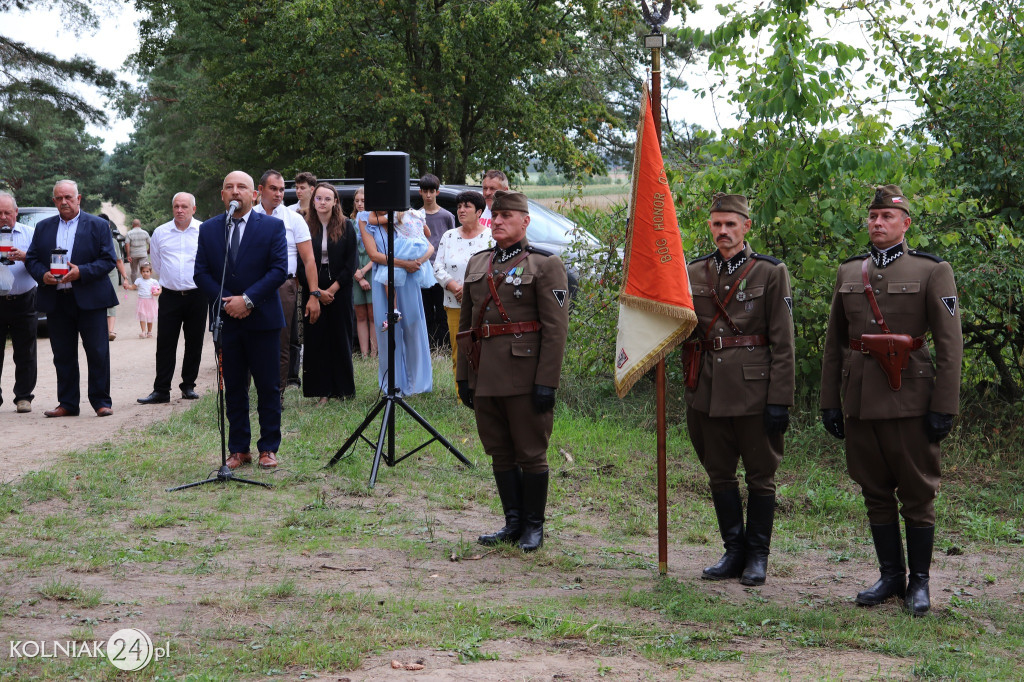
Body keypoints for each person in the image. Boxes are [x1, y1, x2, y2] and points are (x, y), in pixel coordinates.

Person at [820, 185, 963, 616]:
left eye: (887, 216)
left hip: (911, 400)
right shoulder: (849, 272)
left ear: (906, 223)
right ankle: (889, 577)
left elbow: (949, 344)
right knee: (874, 489)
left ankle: (919, 583)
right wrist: (830, 400)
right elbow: (834, 344)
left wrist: (944, 406)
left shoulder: (931, 270)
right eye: (873, 216)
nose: (878, 223)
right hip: (861, 399)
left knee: (917, 493)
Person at [679, 193, 795, 586]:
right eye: (716, 224)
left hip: (754, 391)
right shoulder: (693, 271)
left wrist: (780, 399)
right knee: (719, 474)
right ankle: (733, 551)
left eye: (731, 224)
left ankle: (757, 556)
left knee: (761, 476)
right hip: (707, 389)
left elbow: (783, 341)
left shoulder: (770, 272)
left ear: (747, 226)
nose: (723, 231)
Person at [456, 190, 569, 552]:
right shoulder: (478, 263)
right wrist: (463, 377)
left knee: (531, 452)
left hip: (525, 374)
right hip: (485, 371)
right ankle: (512, 522)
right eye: (496, 215)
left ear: (525, 221)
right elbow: (467, 328)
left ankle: (534, 527)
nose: (500, 221)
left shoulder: (544, 264)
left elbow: (555, 330)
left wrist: (546, 382)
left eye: (507, 215)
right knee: (499, 451)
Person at [193, 171, 287, 469]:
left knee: (268, 386)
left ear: (254, 195)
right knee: (233, 386)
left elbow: (278, 269)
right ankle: (238, 448)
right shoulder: (209, 229)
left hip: (263, 319)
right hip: (227, 321)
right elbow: (201, 273)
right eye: (229, 187)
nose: (235, 192)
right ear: (222, 195)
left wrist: (247, 300)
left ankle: (268, 448)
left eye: (242, 187)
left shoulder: (272, 226)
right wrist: (227, 303)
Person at [25, 179, 118, 418]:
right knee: (63, 355)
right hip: (57, 301)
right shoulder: (44, 227)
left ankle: (101, 401)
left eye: (68, 197)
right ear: (54, 200)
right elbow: (32, 259)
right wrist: (42, 275)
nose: (64, 202)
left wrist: (82, 272)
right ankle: (67, 403)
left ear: (79, 198)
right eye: (59, 198)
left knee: (97, 352)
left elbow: (108, 260)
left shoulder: (98, 225)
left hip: (90, 299)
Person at [253, 169, 320, 407]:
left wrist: (314, 294)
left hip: (284, 286)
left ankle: (276, 393)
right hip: (252, 286)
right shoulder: (249, 216)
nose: (279, 194)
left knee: (280, 341)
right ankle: (259, 388)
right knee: (253, 340)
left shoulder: (293, 219)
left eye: (282, 189)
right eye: (274, 189)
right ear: (260, 190)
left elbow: (309, 259)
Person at [138, 192, 206, 404]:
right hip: (169, 296)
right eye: (176, 206)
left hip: (197, 295)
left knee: (194, 342)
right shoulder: (160, 232)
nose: (180, 210)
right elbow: (156, 265)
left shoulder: (204, 230)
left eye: (184, 206)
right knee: (165, 343)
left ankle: (188, 386)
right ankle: (161, 390)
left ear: (193, 209)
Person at [360, 207, 433, 396]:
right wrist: (403, 263)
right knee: (387, 329)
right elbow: (374, 255)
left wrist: (417, 263)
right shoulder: (365, 219)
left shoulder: (407, 215)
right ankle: (392, 384)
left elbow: (428, 243)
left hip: (409, 276)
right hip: (382, 277)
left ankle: (418, 384)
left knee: (413, 325)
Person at [300, 183, 357, 404]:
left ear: (335, 202)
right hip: (313, 287)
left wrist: (332, 289)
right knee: (317, 339)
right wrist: (316, 292)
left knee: (340, 337)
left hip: (340, 288)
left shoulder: (347, 226)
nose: (322, 202)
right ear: (313, 201)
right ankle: (321, 392)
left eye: (327, 199)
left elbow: (351, 263)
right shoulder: (304, 225)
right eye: (319, 198)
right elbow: (300, 262)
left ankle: (342, 390)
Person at [433, 190, 493, 375]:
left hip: (482, 304)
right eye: (459, 206)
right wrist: (454, 287)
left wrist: (468, 289)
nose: (461, 210)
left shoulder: (490, 237)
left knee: (483, 349)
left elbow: (493, 268)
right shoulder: (448, 236)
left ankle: (482, 394)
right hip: (454, 303)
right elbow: (437, 267)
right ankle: (462, 397)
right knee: (459, 351)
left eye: (467, 206)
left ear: (479, 212)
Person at [0, 191, 38, 413]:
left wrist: (25, 256)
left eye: (7, 212)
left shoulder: (30, 234)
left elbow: (41, 261)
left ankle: (24, 396)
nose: (3, 216)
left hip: (24, 299)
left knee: (25, 351)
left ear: (16, 212)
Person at [419, 174, 456, 350]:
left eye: (431, 191)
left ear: (437, 192)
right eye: (425, 191)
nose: (428, 195)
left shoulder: (447, 216)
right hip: (421, 269)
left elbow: (452, 242)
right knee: (425, 311)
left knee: (442, 310)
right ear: (420, 192)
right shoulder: (416, 216)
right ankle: (428, 346)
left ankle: (442, 346)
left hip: (441, 270)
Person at [350, 187, 377, 359]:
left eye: (364, 201)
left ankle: (375, 354)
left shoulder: (376, 222)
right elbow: (345, 253)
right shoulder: (349, 223)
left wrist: (365, 271)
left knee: (373, 314)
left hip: (372, 270)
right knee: (360, 315)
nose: (360, 204)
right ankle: (364, 354)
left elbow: (382, 251)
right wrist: (357, 275)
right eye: (357, 201)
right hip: (354, 273)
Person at [105, 224, 129, 341]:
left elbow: (118, 260)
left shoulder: (113, 242)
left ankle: (110, 331)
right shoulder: (91, 239)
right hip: (96, 276)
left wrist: (125, 277)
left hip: (111, 275)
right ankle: (100, 330)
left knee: (111, 301)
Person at [129, 262, 160, 337]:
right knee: (142, 316)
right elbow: (133, 287)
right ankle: (143, 331)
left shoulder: (153, 281)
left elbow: (159, 289)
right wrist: (128, 286)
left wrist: (157, 293)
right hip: (142, 301)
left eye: (147, 271)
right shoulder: (139, 280)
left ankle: (149, 332)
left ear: (151, 272)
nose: (145, 273)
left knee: (150, 317)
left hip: (150, 301)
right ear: (141, 272)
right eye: (143, 271)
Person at [125, 218, 150, 282]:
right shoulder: (145, 233)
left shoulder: (129, 233)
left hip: (133, 255)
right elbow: (151, 243)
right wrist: (148, 250)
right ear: (140, 225)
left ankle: (135, 284)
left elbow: (127, 245)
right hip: (143, 254)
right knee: (144, 269)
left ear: (133, 225)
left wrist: (128, 255)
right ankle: (144, 283)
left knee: (134, 271)